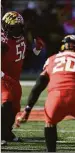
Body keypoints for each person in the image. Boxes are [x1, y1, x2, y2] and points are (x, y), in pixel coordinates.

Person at [1, 11, 44, 146]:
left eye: (20, 27)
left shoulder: (22, 36)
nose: (18, 30)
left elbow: (25, 55)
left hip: (15, 78)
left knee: (15, 107)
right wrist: (4, 77)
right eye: (14, 27)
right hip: (4, 77)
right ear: (7, 27)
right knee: (6, 100)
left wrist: (36, 49)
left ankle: (7, 132)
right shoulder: (3, 42)